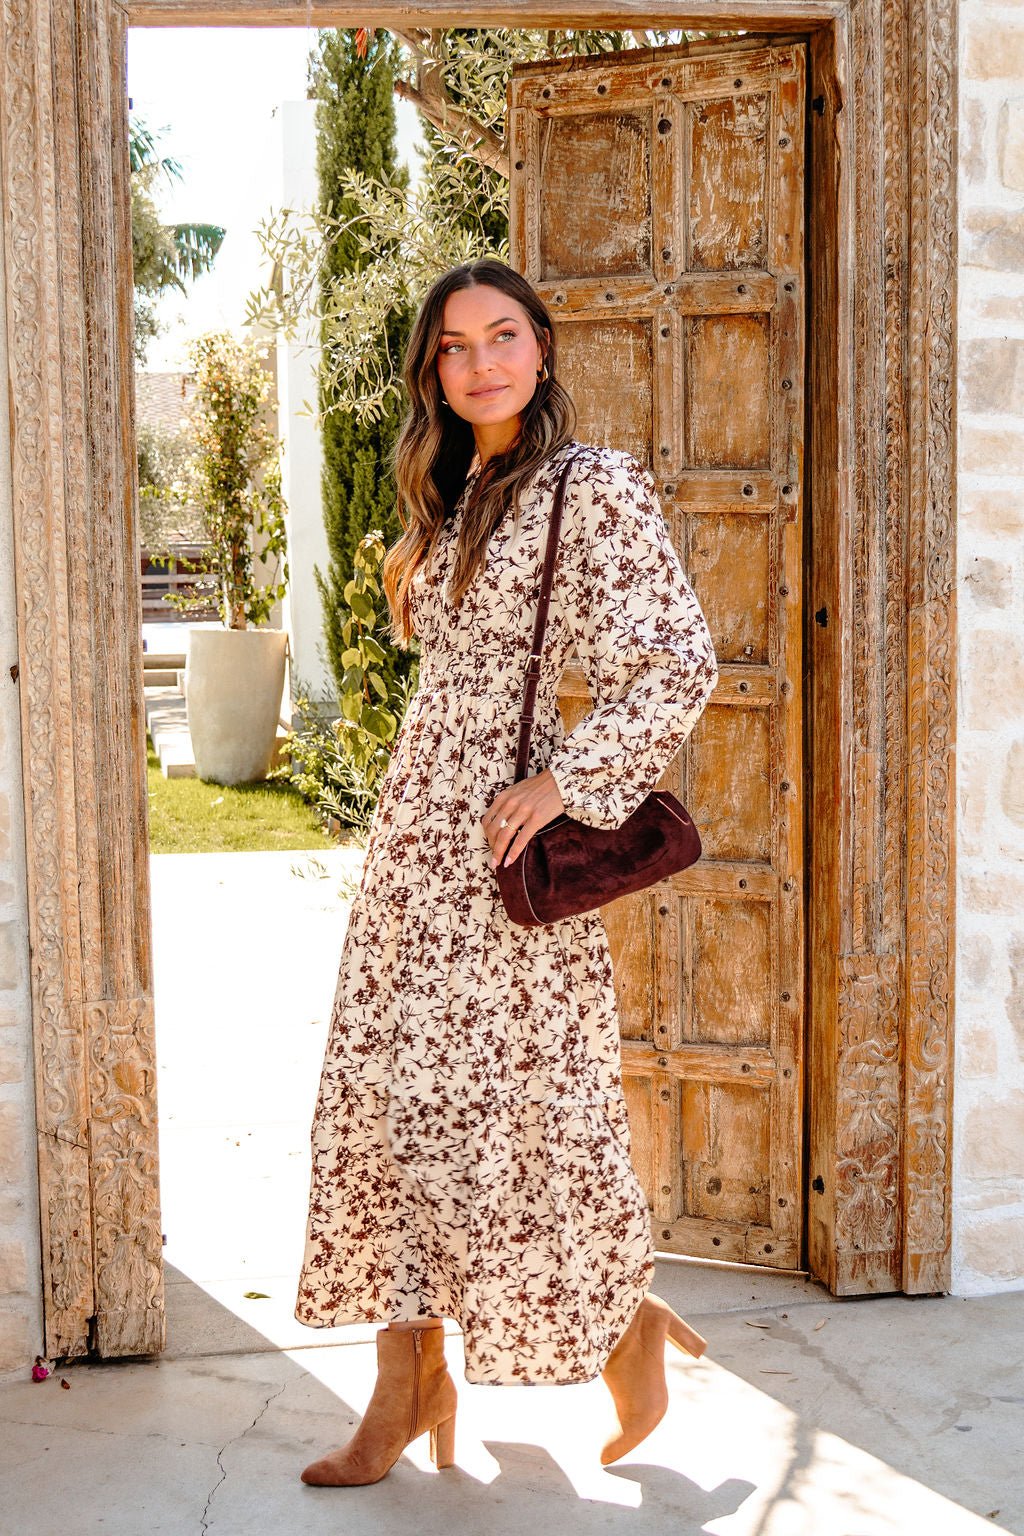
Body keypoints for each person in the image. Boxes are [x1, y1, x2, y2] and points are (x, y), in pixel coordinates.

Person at [295, 257, 719, 1487]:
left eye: (504, 335)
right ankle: (405, 1381)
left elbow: (677, 660)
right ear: (435, 370)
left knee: (524, 1121)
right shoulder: (460, 486)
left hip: (498, 862)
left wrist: (566, 787)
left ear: (540, 349)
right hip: (411, 861)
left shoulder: (590, 488)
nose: (481, 360)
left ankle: (617, 1316)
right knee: (393, 1107)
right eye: (454, 344)